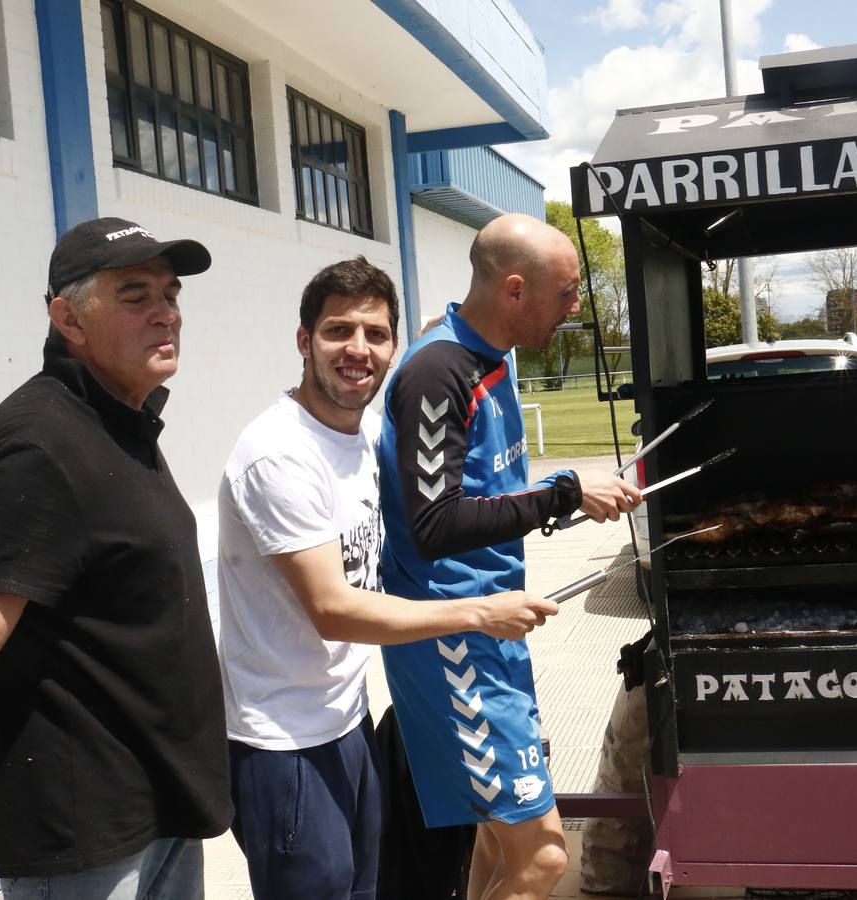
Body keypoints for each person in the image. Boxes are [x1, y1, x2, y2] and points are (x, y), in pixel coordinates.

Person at [215, 256, 558, 900]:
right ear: (302, 341)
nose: (357, 349)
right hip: (283, 745)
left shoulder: (361, 433)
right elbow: (333, 609)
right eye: (337, 331)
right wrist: (479, 612)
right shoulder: (279, 455)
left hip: (346, 721)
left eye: (375, 335)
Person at [0, 217, 231, 900]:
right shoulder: (36, 448)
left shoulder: (119, 424)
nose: (166, 313)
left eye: (171, 294)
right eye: (135, 295)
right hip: (85, 851)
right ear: (69, 320)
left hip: (159, 821)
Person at [377, 213, 642, 900]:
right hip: (455, 641)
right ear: (516, 290)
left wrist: (564, 497)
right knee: (545, 857)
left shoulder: (492, 359)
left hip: (494, 631)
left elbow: (486, 495)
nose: (576, 307)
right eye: (568, 292)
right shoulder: (440, 369)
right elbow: (434, 523)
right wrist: (560, 495)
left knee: (498, 841)